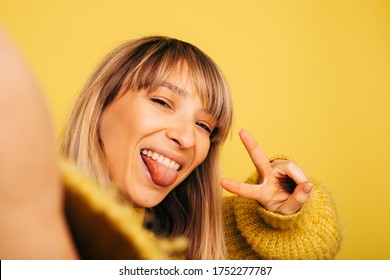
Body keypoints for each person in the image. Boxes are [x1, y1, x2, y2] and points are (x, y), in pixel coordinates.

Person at [0, 30, 342, 260]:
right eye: (163, 102)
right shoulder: (28, 214)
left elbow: (316, 251)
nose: (187, 138)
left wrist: (285, 214)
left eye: (204, 125)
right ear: (101, 105)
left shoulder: (192, 240)